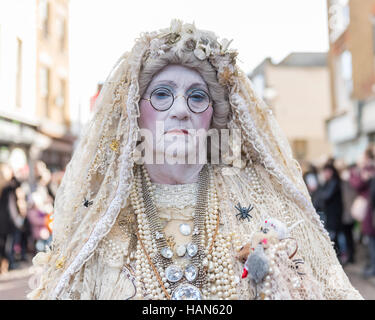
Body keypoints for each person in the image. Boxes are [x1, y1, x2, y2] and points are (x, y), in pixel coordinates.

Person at [27, 20, 362, 300]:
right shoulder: (102, 215)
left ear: (212, 116)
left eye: (197, 96)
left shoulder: (261, 199)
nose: (181, 110)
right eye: (161, 94)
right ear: (135, 111)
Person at [350, 147, 375, 278]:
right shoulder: (368, 170)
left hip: (371, 211)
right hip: (370, 211)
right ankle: (371, 265)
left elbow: (357, 185)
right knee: (369, 240)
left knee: (371, 240)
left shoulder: (368, 170)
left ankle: (372, 266)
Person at [320, 162, 343, 256]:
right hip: (331, 215)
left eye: (326, 171)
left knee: (333, 238)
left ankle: (337, 257)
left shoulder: (333, 182)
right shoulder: (329, 182)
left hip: (333, 216)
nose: (325, 174)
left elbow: (326, 196)